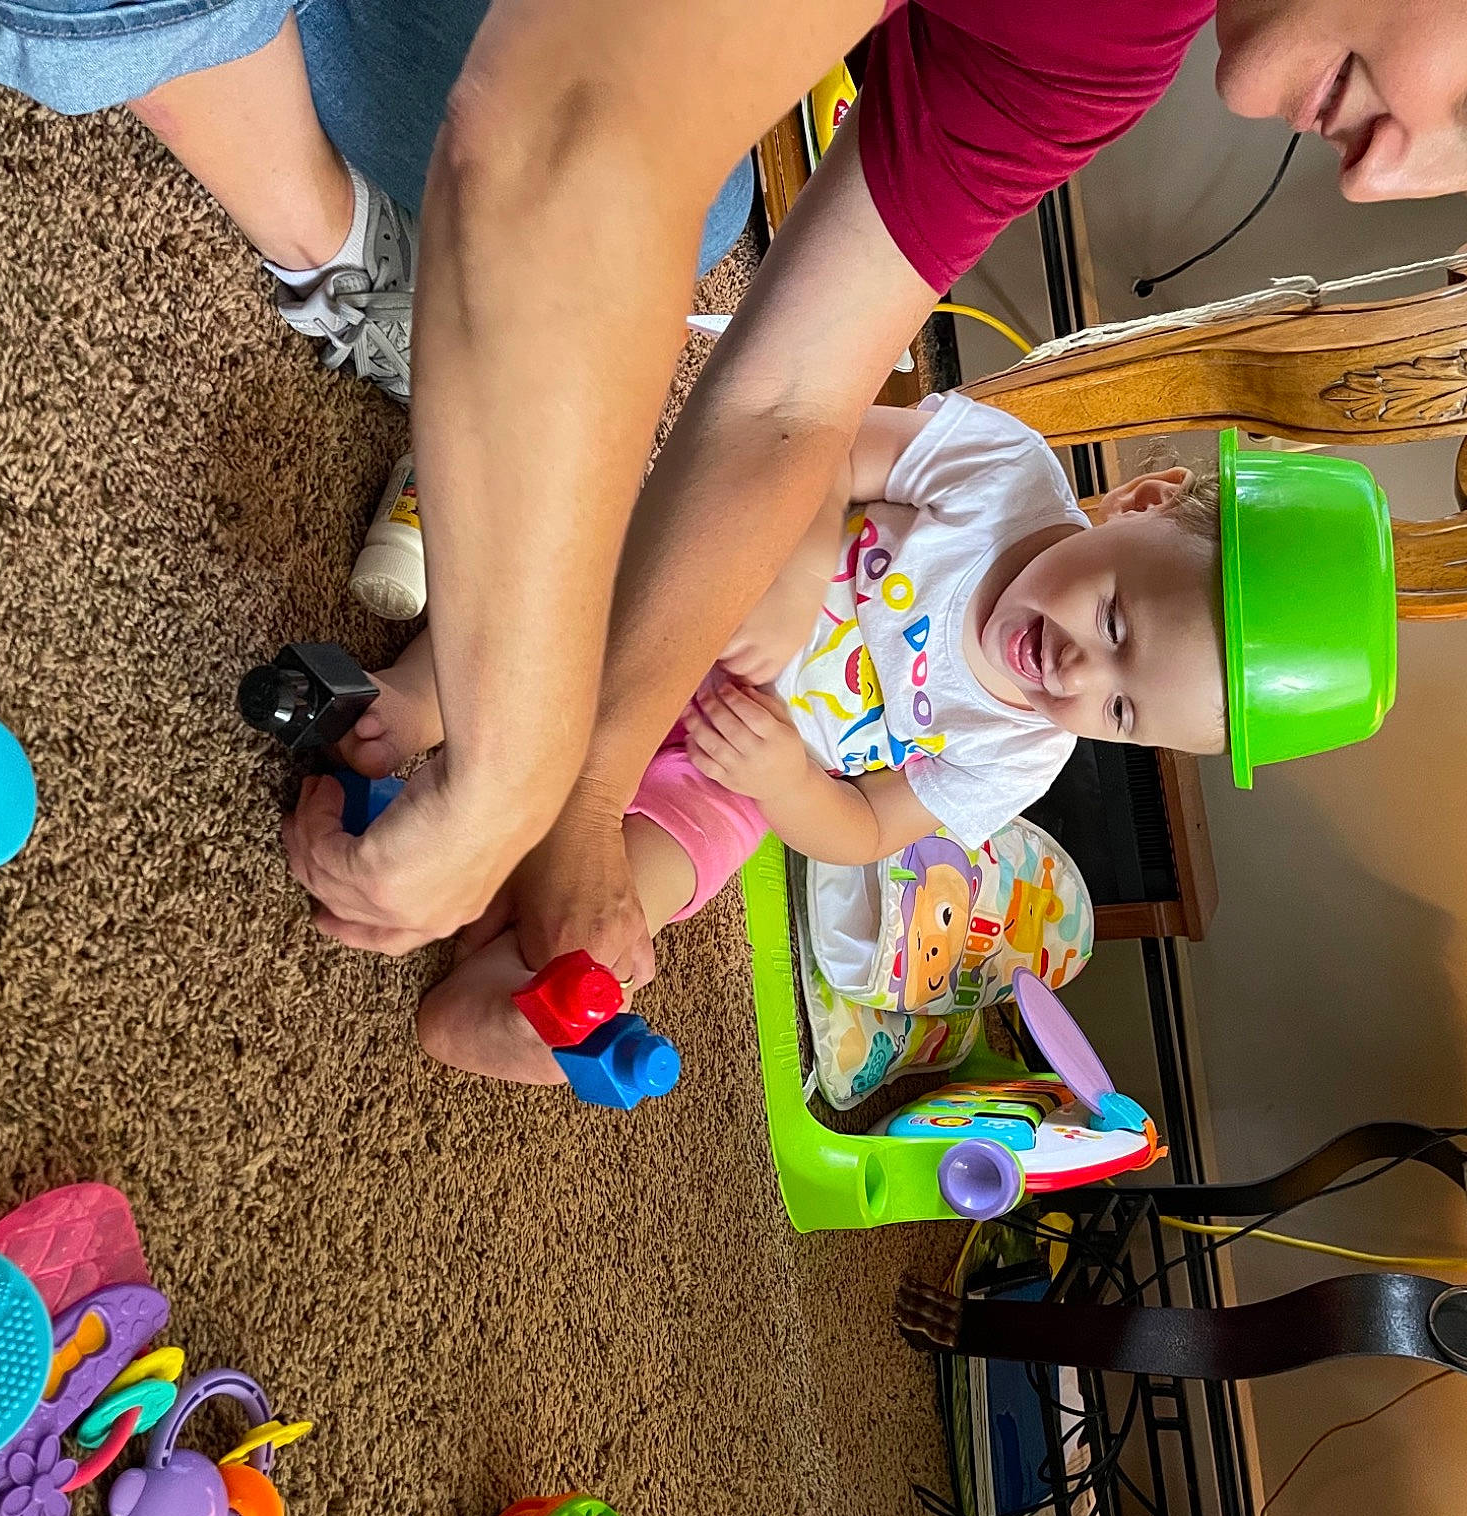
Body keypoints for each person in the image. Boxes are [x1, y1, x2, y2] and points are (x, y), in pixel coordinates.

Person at [0, 0, 1467, 987]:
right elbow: (561, 150)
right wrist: (516, 769)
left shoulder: (1105, 53)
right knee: (562, 221)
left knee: (630, 247)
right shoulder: (1003, 464)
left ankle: (381, 282)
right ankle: (359, 272)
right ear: (1154, 504)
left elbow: (775, 387)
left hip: (727, 723)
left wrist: (578, 782)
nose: (1379, 176)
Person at [326, 393, 1387, 1084]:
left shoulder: (1023, 753)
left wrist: (786, 784)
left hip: (730, 770)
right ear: (1142, 499)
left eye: (1119, 712)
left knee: (645, 884)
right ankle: (420, 698)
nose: (1077, 671)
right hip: (696, 602)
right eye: (1112, 620)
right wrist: (791, 576)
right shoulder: (999, 469)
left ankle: (520, 1006)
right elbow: (818, 444)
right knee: (572, 595)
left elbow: (870, 830)